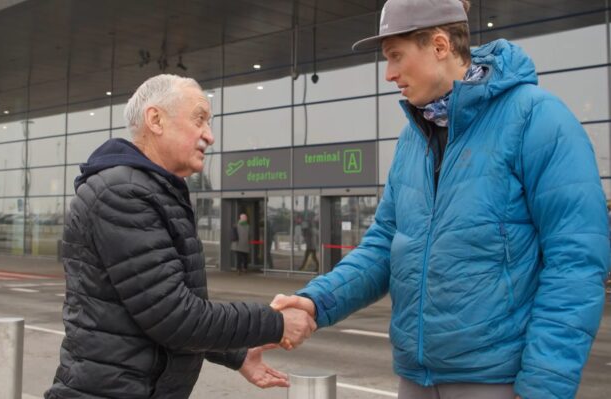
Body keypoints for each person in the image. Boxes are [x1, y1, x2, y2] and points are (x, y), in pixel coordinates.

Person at [272, 1, 610, 399]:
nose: (389, 74)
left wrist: (544, 387)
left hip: (497, 382)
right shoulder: (413, 139)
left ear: (439, 45)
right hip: (415, 380)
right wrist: (316, 302)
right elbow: (385, 245)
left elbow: (575, 264)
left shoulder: (537, 119)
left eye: (396, 56)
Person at [44, 74, 316, 399]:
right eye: (199, 119)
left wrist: (237, 355)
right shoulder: (122, 193)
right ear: (155, 120)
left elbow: (153, 308)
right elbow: (174, 317)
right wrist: (276, 322)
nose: (210, 136)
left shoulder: (155, 190)